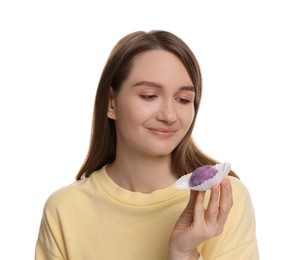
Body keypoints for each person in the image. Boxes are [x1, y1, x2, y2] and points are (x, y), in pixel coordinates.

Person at [35, 30, 259, 260]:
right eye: (150, 96)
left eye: (183, 100)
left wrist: (183, 254)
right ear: (111, 103)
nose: (169, 115)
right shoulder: (64, 210)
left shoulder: (221, 200)